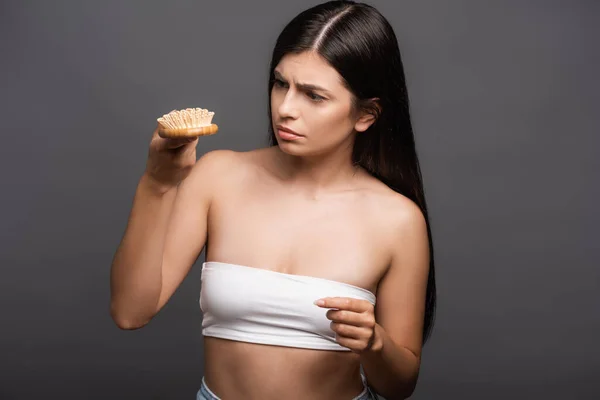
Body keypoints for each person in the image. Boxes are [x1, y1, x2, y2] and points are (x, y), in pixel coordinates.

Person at [110, 1, 436, 399]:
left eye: (313, 96)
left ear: (366, 114)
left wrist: (376, 344)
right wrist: (157, 184)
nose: (285, 109)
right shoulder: (219, 177)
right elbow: (130, 312)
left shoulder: (398, 220)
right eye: (281, 84)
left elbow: (400, 385)